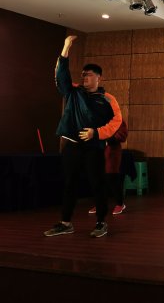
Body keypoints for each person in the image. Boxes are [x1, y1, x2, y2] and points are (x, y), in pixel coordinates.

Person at [44, 35, 122, 238]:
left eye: (88, 75)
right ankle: (65, 223)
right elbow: (61, 76)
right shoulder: (73, 91)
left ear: (99, 78)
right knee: (69, 184)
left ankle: (101, 222)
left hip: (94, 148)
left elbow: (116, 122)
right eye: (83, 74)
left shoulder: (108, 99)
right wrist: (65, 47)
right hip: (72, 146)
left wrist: (96, 133)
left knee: (97, 184)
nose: (84, 77)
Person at [89, 120, 128, 215]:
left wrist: (107, 140)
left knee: (111, 177)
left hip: (111, 152)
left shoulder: (117, 119)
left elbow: (122, 135)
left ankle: (120, 203)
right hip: (97, 151)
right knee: (98, 179)